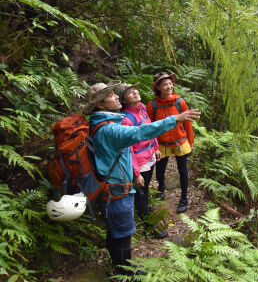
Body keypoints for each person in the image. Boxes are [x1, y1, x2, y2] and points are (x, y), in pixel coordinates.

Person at [82, 81, 200, 277]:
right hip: (117, 191)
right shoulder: (108, 129)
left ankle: (121, 269)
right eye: (111, 95)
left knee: (116, 233)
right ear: (100, 105)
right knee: (123, 235)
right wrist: (175, 119)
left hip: (110, 188)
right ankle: (125, 274)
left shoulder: (102, 123)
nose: (116, 97)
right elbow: (139, 132)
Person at [117, 83, 168, 240]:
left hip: (148, 155)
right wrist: (136, 173)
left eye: (135, 90)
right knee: (140, 192)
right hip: (139, 162)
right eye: (130, 92)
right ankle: (148, 226)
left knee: (144, 190)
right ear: (124, 100)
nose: (135, 93)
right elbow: (128, 149)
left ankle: (146, 210)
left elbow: (150, 128)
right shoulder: (126, 119)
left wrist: (156, 147)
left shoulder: (142, 108)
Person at [147, 72, 193, 213]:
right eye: (165, 84)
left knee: (183, 171)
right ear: (158, 87)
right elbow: (149, 127)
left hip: (180, 141)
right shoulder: (152, 105)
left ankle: (183, 198)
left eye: (170, 83)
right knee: (160, 171)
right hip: (161, 143)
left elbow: (188, 124)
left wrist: (190, 142)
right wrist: (153, 146)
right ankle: (161, 188)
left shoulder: (180, 102)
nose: (169, 86)